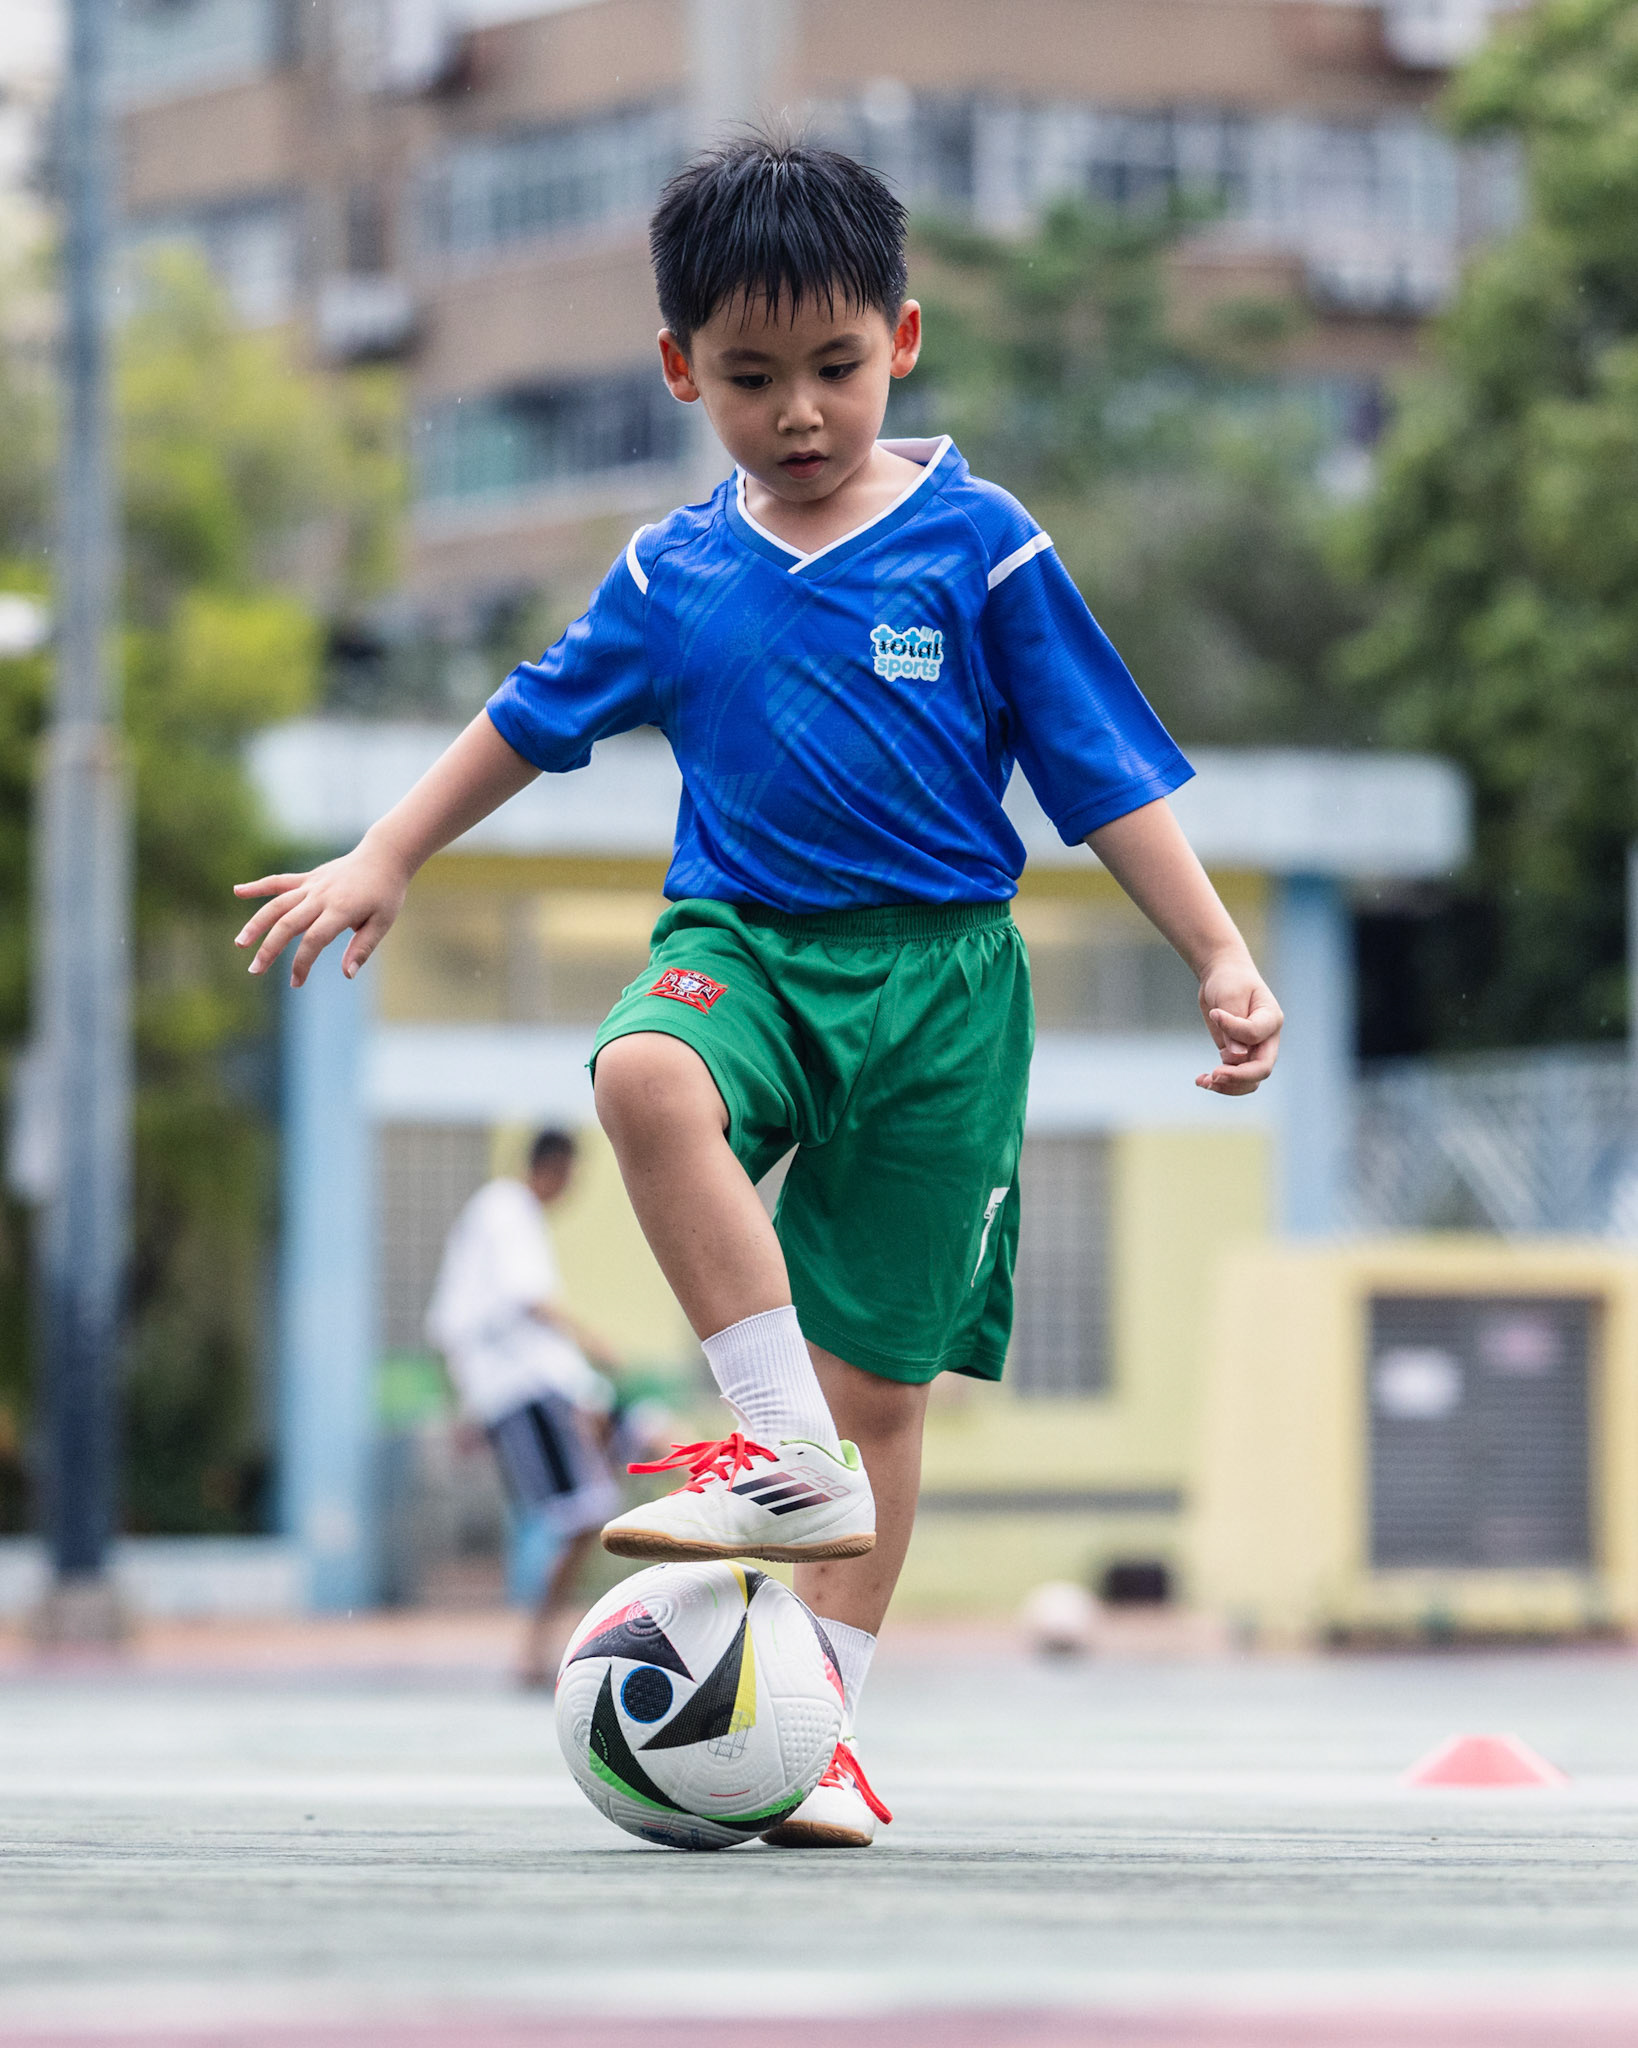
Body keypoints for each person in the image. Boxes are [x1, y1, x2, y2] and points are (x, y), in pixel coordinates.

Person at [233, 135, 1282, 1847]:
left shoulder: (981, 545)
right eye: (747, 378)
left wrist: (1218, 950)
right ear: (676, 371)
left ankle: (822, 1729)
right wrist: (387, 852)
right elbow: (524, 713)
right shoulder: (671, 573)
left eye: (833, 368)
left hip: (943, 988)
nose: (796, 411)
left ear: (903, 338)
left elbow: (1096, 774)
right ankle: (774, 1450)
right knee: (645, 1073)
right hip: (747, 947)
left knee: (888, 1396)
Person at [425, 1128, 622, 1688]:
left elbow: (454, 1319)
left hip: (525, 1391)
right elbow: (526, 1299)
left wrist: (464, 1405)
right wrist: (592, 1343)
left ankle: (543, 1646)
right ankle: (537, 1648)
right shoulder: (509, 1209)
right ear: (554, 1168)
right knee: (585, 1517)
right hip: (527, 1393)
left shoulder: (495, 1216)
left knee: (600, 1496)